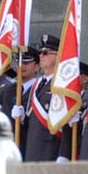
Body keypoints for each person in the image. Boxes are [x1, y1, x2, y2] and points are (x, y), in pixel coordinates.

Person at [24, 34, 72, 162]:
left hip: (52, 149)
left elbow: (67, 123)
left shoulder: (63, 84)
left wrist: (64, 154)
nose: (40, 56)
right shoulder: (37, 84)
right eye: (40, 53)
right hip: (32, 149)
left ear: (58, 56)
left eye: (45, 53)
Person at [11, 44, 39, 158]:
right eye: (19, 62)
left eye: (26, 63)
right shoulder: (10, 89)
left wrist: (23, 120)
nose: (21, 66)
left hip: (29, 147)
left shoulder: (39, 90)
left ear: (37, 67)